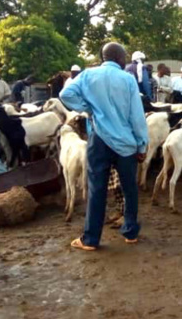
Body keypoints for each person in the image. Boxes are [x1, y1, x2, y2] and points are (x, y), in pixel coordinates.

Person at [60, 42, 148, 251]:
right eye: (124, 56)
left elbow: (65, 95)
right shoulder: (128, 79)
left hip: (98, 140)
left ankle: (90, 239)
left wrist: (88, 107)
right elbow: (136, 115)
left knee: (97, 188)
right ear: (118, 58)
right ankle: (130, 232)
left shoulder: (88, 75)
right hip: (126, 143)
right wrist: (142, 145)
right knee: (130, 189)